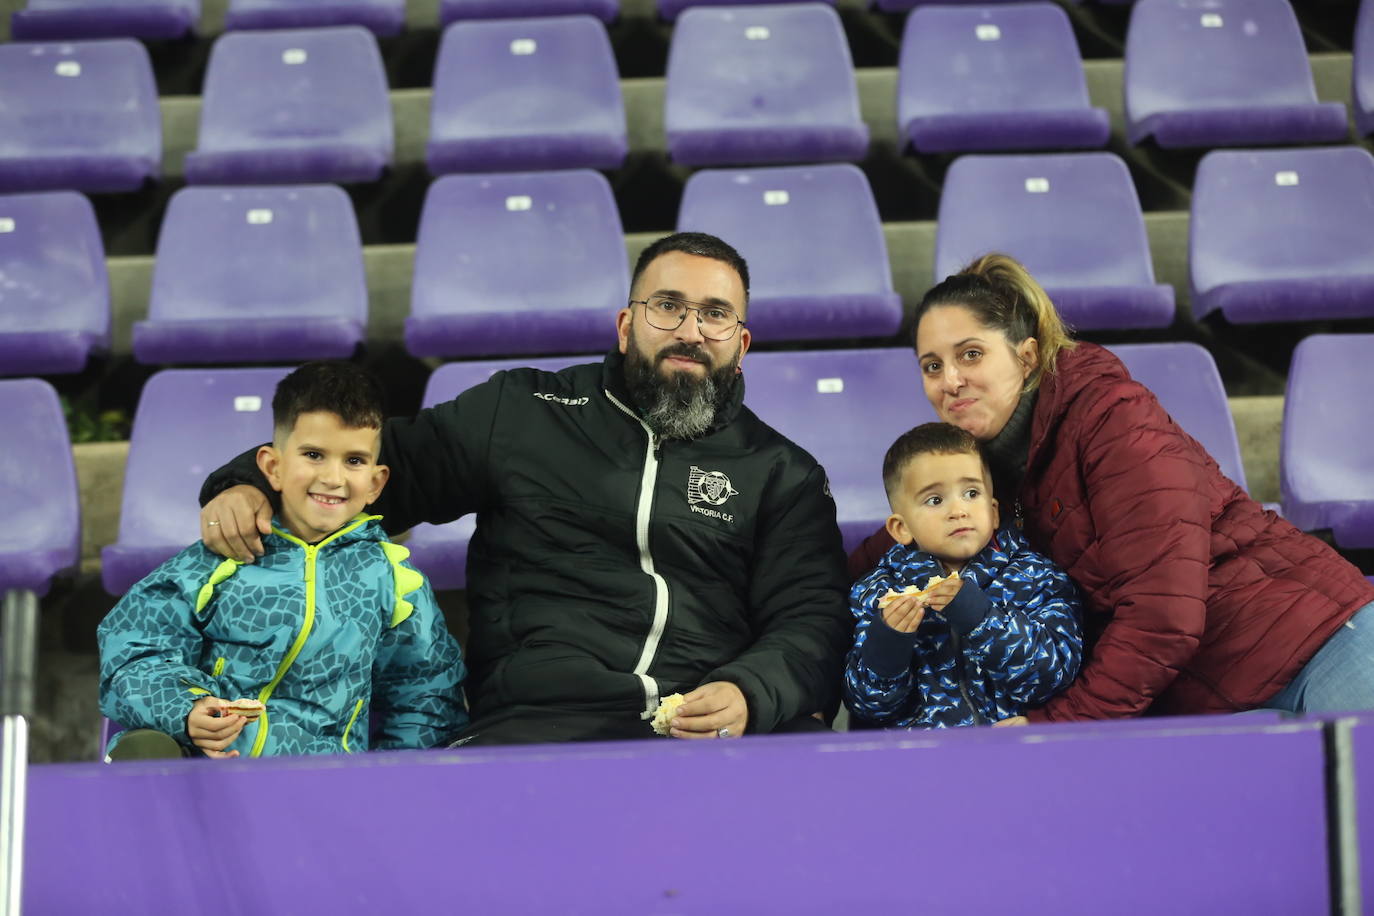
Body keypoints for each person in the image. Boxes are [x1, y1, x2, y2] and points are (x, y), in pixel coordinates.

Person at [197, 232, 851, 745]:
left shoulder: (782, 471)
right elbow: (377, 460)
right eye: (668, 307)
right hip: (540, 722)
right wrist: (248, 484)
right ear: (626, 326)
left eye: (715, 315)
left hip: (716, 728)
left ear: (741, 344)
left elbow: (813, 621)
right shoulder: (523, 410)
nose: (690, 330)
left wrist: (748, 691)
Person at [850, 253, 1374, 721]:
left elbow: (1163, 615)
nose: (950, 381)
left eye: (970, 355)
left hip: (1318, 644)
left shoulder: (1113, 418)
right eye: (932, 366)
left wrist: (1056, 727)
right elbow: (889, 546)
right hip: (1205, 692)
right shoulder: (980, 466)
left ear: (1026, 356)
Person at [99, 361, 468, 759]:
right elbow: (134, 650)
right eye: (314, 454)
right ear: (272, 467)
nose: (333, 477)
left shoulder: (395, 581)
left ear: (376, 483)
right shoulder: (219, 559)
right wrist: (185, 709)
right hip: (211, 769)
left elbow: (426, 695)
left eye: (354, 461)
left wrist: (386, 785)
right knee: (147, 750)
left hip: (323, 785)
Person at [845, 422, 1081, 728]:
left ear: (994, 512)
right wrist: (887, 647)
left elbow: (1054, 676)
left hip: (1013, 753)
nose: (958, 510)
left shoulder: (1037, 577)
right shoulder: (877, 593)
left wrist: (982, 619)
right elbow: (869, 707)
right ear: (901, 529)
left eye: (971, 493)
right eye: (935, 500)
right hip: (923, 763)